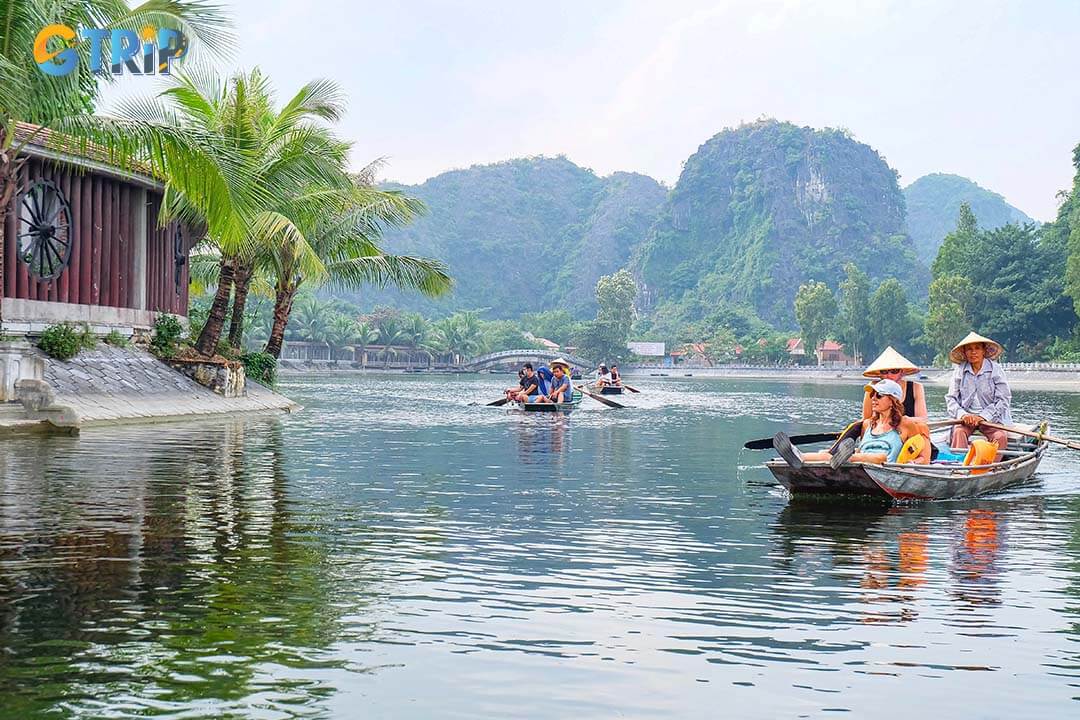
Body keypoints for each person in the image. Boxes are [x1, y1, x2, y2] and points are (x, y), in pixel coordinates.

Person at [774, 379, 930, 469]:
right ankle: (799, 455)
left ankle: (847, 457)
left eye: (879, 395)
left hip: (884, 464)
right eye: (872, 395)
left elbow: (924, 455)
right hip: (858, 460)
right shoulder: (866, 425)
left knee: (878, 456)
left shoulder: (907, 424)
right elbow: (832, 451)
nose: (873, 399)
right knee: (827, 454)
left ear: (892, 400)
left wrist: (913, 463)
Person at [945, 331, 1012, 454]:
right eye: (969, 349)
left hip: (992, 419)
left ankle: (990, 467)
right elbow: (951, 399)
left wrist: (982, 417)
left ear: (983, 351)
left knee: (1000, 437)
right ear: (965, 353)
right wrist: (963, 415)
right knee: (958, 431)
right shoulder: (960, 371)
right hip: (966, 419)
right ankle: (959, 467)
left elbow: (1003, 400)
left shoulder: (995, 370)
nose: (973, 352)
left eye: (977, 348)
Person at [861, 346, 927, 420]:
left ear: (902, 372)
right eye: (884, 372)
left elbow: (922, 419)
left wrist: (901, 421)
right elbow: (866, 419)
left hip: (909, 429)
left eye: (894, 371)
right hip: (881, 429)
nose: (889, 375)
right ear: (880, 374)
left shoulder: (915, 387)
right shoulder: (873, 387)